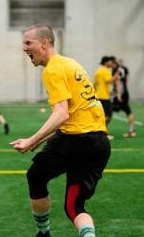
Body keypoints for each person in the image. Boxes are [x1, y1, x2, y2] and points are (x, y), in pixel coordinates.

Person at [10, 24, 110, 237]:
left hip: (75, 142)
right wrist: (37, 141)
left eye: (28, 43)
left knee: (35, 176)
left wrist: (31, 140)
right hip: (99, 144)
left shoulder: (53, 69)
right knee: (74, 207)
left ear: (44, 44)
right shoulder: (71, 64)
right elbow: (73, 116)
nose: (24, 48)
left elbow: (61, 114)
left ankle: (43, 233)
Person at [94, 56, 119, 140]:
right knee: (108, 115)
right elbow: (109, 80)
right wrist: (116, 75)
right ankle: (101, 132)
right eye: (109, 62)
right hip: (104, 96)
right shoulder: (106, 70)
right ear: (106, 62)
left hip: (98, 95)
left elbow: (95, 83)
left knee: (103, 115)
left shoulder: (98, 70)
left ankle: (101, 132)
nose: (111, 63)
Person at [112, 59, 136, 137]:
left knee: (107, 112)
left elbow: (118, 82)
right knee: (128, 111)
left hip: (119, 93)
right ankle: (132, 131)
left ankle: (103, 132)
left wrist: (118, 94)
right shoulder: (125, 69)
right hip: (125, 92)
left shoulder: (116, 70)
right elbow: (126, 80)